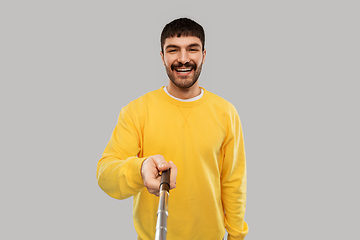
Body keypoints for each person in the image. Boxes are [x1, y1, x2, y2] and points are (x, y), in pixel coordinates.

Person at [97, 17, 248, 240]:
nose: (183, 59)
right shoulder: (137, 111)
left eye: (192, 49)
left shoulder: (226, 113)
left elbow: (233, 182)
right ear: (162, 56)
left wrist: (236, 236)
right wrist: (140, 169)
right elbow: (105, 174)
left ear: (204, 55)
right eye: (173, 50)